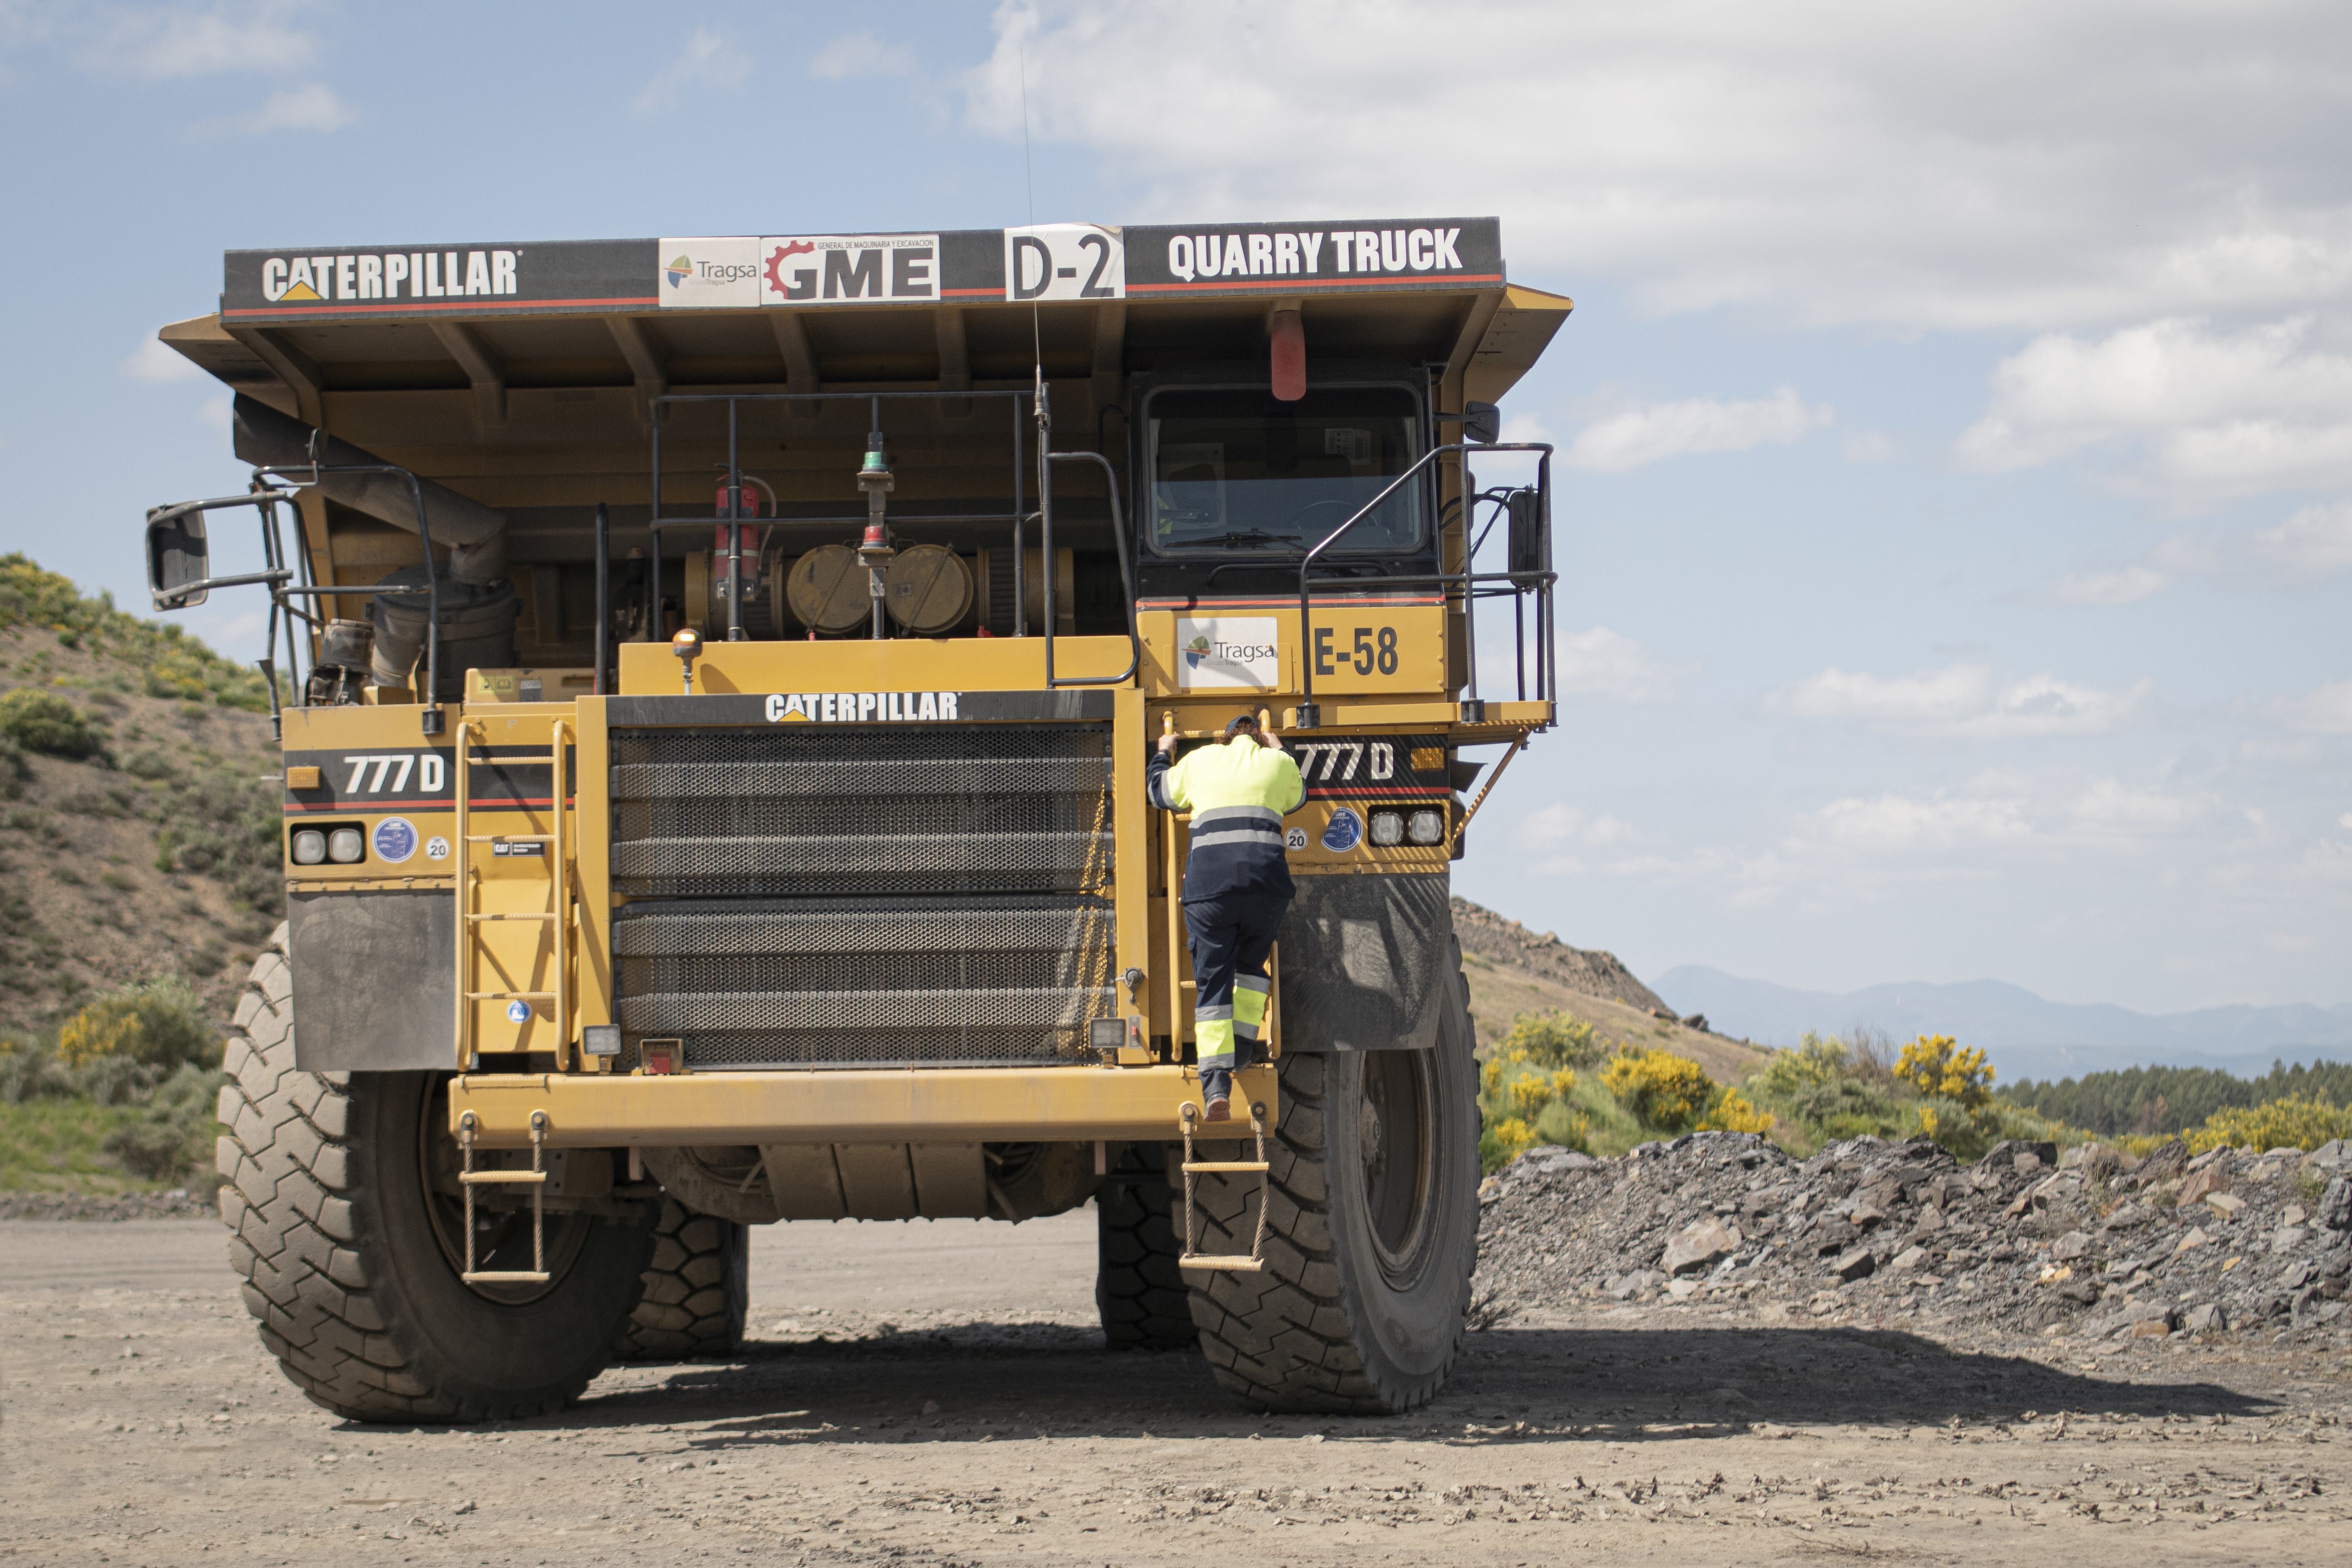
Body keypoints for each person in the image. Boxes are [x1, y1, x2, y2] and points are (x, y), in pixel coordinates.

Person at [1147, 711, 1307, 1120]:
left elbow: (1158, 793)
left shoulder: (1201, 762)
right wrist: (1278, 747)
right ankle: (1240, 1052)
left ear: (1224, 739)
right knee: (1251, 968)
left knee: (1214, 981)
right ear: (1257, 738)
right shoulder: (1277, 763)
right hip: (1265, 892)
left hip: (1211, 894)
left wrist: (1164, 753)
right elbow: (1299, 796)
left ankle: (1216, 1086)